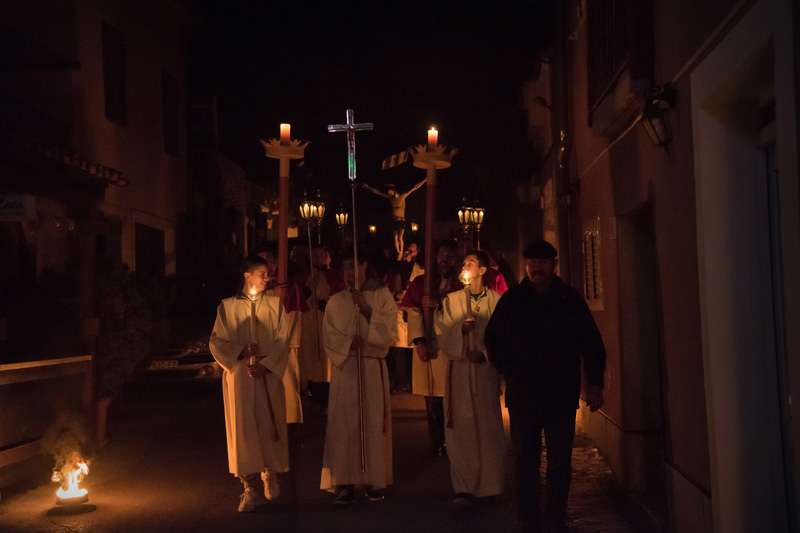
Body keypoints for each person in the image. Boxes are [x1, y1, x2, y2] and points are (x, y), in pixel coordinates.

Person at [484, 240, 606, 531]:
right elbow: (493, 339)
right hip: (523, 395)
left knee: (560, 460)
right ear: (526, 265)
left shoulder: (569, 300)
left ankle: (555, 514)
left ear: (554, 265)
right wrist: (508, 369)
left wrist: (595, 383)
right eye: (532, 261)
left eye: (542, 261)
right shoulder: (512, 301)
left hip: (561, 395)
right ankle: (528, 516)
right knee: (525, 458)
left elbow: (591, 343)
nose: (537, 266)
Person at [209, 255, 292, 513]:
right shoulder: (227, 307)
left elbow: (282, 338)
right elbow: (216, 342)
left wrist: (266, 363)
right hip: (241, 379)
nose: (268, 278)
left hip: (266, 376)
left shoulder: (275, 305)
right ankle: (248, 487)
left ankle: (270, 473)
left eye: (268, 274)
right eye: (263, 274)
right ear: (247, 276)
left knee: (268, 424)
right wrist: (240, 352)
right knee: (243, 429)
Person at [320, 246, 398, 506]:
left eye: (353, 266)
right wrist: (345, 344)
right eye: (344, 268)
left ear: (364, 265)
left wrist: (366, 309)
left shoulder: (382, 295)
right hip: (347, 369)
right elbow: (328, 335)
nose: (348, 272)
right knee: (344, 425)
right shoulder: (337, 300)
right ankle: (343, 482)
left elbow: (389, 331)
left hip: (372, 366)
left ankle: (374, 480)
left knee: (373, 423)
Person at [435, 250, 505, 510]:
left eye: (470, 263)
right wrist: (459, 332)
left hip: (483, 372)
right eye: (463, 263)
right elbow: (441, 332)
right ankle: (463, 487)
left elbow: (503, 336)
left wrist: (486, 354)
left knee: (487, 429)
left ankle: (490, 486)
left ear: (483, 271)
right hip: (461, 372)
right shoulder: (452, 300)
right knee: (461, 431)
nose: (464, 266)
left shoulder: (497, 302)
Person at [400, 240, 462, 457]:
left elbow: (465, 309)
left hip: (452, 349)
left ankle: (454, 440)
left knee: (453, 396)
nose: (444, 259)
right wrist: (419, 341)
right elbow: (414, 311)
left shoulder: (462, 282)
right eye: (441, 255)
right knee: (432, 398)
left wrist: (440, 303)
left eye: (449, 255)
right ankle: (436, 440)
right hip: (429, 344)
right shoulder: (422, 282)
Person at [295, 244, 345, 412]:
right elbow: (295, 298)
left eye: (321, 254)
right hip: (308, 322)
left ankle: (328, 398)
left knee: (325, 361)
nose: (317, 257)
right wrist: (307, 292)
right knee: (310, 358)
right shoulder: (303, 276)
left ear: (327, 256)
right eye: (314, 254)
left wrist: (324, 304)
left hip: (326, 322)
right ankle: (312, 394)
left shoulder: (337, 276)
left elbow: (343, 298)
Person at [384, 242, 423, 393]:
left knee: (414, 348)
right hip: (398, 312)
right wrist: (396, 295)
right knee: (399, 350)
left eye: (411, 250)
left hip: (413, 311)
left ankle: (415, 382)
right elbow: (385, 290)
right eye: (405, 250)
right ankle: (401, 381)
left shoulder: (420, 270)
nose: (408, 253)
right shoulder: (393, 272)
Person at [362, 179, 426, 259]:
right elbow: (378, 192)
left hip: (401, 220)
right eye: (388, 192)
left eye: (389, 191)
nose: (388, 193)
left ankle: (401, 251)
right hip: (394, 221)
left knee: (400, 238)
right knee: (395, 237)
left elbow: (415, 188)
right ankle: (399, 252)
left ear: (393, 190)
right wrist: (368, 187)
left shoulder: (402, 197)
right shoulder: (391, 198)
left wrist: (425, 180)